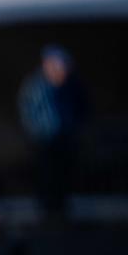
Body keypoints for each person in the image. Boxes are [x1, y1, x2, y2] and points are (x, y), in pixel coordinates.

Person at [18, 45, 88, 222]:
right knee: (46, 174)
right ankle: (46, 209)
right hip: (44, 140)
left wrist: (77, 127)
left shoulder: (72, 86)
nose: (61, 72)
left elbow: (82, 108)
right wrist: (35, 130)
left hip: (66, 139)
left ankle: (62, 207)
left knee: (64, 173)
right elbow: (27, 110)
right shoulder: (35, 86)